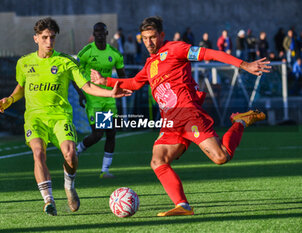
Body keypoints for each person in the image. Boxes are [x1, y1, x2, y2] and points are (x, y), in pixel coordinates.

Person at [91, 16, 270, 217]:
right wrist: (104, 80)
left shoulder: (176, 49)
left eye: (152, 37)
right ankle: (183, 205)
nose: (149, 43)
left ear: (162, 35)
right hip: (169, 123)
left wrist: (244, 65)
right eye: (145, 38)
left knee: (221, 157)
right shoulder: (150, 64)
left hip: (188, 115)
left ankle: (240, 121)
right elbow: (134, 83)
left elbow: (209, 53)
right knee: (158, 161)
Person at [0, 17, 131, 216]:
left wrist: (110, 92)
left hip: (60, 116)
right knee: (38, 153)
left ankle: (69, 186)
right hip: (35, 118)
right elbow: (21, 88)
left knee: (70, 154)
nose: (49, 42)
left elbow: (86, 86)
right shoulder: (24, 63)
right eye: (44, 38)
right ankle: (48, 200)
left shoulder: (66, 61)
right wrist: (9, 99)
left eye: (52, 37)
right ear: (36, 39)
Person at [75, 22, 126, 178]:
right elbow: (74, 74)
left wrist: (122, 88)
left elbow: (122, 75)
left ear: (106, 33)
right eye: (96, 32)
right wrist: (81, 92)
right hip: (93, 98)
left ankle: (105, 170)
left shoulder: (114, 54)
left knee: (111, 134)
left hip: (109, 99)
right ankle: (77, 150)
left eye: (101, 32)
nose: (99, 34)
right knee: (97, 134)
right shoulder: (86, 52)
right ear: (93, 34)